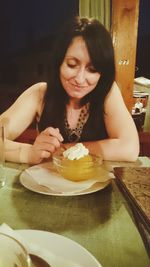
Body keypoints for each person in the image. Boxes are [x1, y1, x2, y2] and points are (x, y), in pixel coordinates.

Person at [0, 16, 139, 164]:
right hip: (49, 184)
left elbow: (130, 148)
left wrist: (67, 149)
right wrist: (30, 153)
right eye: (72, 65)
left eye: (92, 69)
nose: (80, 79)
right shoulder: (40, 94)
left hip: (96, 184)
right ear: (58, 63)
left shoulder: (108, 92)